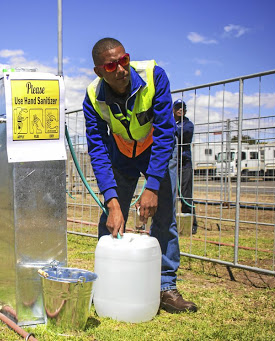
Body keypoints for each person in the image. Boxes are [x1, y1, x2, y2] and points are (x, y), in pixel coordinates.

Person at [83, 38, 197, 313]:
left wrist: (153, 185)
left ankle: (165, 287)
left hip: (155, 151)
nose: (121, 68)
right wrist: (112, 202)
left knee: (165, 218)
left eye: (124, 60)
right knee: (111, 219)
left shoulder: (154, 77)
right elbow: (97, 149)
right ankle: (108, 283)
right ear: (100, 71)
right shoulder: (92, 97)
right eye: (112, 65)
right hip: (122, 155)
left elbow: (166, 132)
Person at [174, 99, 198, 234]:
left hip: (184, 165)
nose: (180, 109)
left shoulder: (188, 125)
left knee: (186, 195)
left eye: (183, 107)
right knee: (169, 194)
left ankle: (190, 224)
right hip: (172, 164)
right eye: (177, 107)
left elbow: (179, 133)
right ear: (173, 110)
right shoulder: (173, 123)